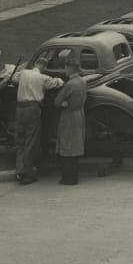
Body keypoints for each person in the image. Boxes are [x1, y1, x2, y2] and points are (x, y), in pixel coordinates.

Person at [12, 59, 63, 185]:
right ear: (44, 67)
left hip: (20, 108)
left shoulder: (23, 73)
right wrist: (59, 79)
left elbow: (14, 78)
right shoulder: (43, 77)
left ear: (35, 65)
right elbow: (57, 83)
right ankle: (27, 173)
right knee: (30, 140)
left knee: (20, 140)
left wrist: (21, 67)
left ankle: (19, 170)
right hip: (33, 109)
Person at [54, 57, 87, 186]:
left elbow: (57, 102)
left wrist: (63, 103)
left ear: (69, 68)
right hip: (80, 114)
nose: (64, 71)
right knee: (76, 146)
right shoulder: (82, 82)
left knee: (67, 145)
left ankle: (67, 178)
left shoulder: (70, 84)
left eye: (65, 68)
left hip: (69, 116)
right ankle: (75, 176)